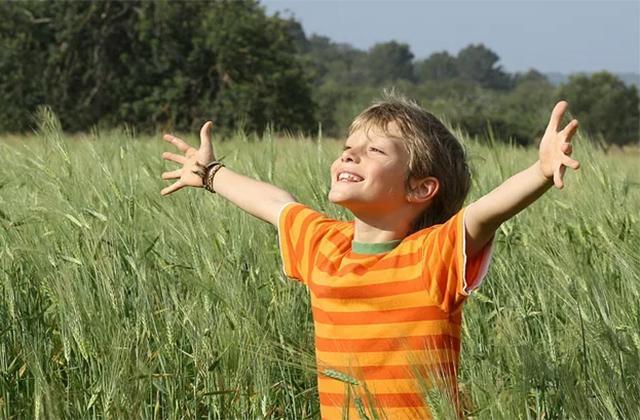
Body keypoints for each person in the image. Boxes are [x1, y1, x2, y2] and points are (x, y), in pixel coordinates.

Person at [160, 94, 580, 419]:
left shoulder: (432, 255)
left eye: (375, 151)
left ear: (420, 189)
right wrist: (211, 174)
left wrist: (540, 172)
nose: (348, 155)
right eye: (348, 147)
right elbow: (275, 204)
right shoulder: (325, 244)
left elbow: (485, 214)